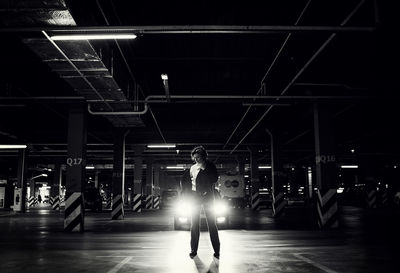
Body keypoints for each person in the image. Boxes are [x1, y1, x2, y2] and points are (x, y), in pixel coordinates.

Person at [182, 145, 220, 260]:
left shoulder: (210, 166)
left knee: (212, 224)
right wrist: (187, 195)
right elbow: (186, 182)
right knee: (194, 225)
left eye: (199, 157)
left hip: (208, 197)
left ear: (204, 156)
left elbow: (214, 178)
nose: (197, 159)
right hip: (195, 198)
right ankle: (193, 250)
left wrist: (204, 169)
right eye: (195, 157)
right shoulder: (192, 168)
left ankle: (217, 251)